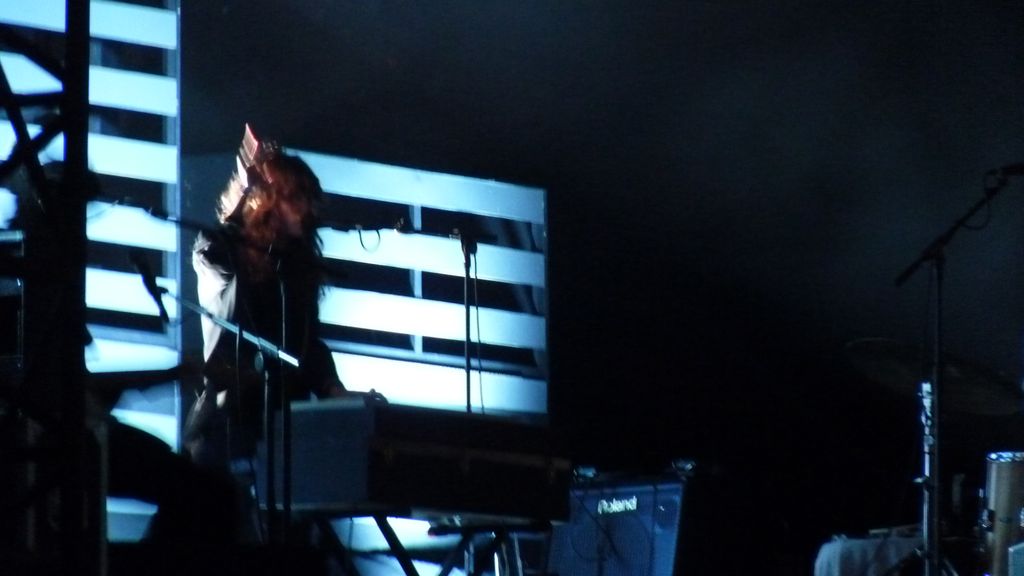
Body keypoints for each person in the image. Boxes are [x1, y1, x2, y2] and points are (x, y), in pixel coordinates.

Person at [183, 127, 346, 540]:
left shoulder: (298, 269)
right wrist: (243, 184)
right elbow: (212, 246)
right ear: (268, 203)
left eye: (309, 198)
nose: (306, 208)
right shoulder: (223, 253)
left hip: (285, 427)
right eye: (296, 197)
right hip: (229, 424)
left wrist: (334, 390)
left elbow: (310, 348)